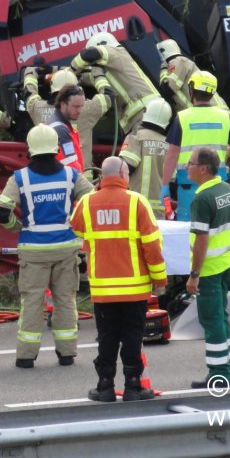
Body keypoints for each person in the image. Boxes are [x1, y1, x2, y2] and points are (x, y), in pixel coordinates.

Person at [0, 124, 94, 368]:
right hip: (65, 247)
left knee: (32, 302)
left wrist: (16, 226)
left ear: (30, 149)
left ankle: (26, 356)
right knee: (65, 300)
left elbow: (0, 209)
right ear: (56, 149)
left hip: (33, 249)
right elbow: (92, 199)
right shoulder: (72, 175)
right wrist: (75, 224)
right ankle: (67, 353)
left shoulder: (20, 178)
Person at [71, 156, 167, 402]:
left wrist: (96, 192)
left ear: (102, 176)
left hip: (103, 288)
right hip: (134, 287)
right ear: (124, 175)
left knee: (107, 336)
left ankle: (105, 386)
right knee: (133, 336)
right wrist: (159, 278)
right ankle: (133, 385)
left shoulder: (87, 202)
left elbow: (76, 227)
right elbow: (152, 246)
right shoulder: (137, 203)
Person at [185, 147, 230, 388]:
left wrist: (194, 275)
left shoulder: (202, 199)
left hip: (209, 270)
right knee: (221, 316)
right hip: (226, 263)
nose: (185, 166)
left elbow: (201, 240)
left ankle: (219, 374)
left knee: (212, 320)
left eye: (189, 163)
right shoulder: (227, 190)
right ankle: (226, 366)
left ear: (203, 168)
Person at [161, 71, 230, 221]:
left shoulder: (183, 117)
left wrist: (165, 185)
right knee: (217, 223)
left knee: (190, 228)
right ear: (212, 93)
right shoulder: (225, 116)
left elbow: (172, 154)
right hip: (217, 182)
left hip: (189, 183)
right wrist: (223, 153)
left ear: (191, 90)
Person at [24, 65, 112, 176]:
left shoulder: (37, 108)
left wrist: (30, 74)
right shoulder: (86, 109)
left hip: (53, 177)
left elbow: (29, 95)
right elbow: (108, 96)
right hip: (82, 179)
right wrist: (96, 74)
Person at [70, 33, 160, 136]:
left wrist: (71, 70)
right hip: (140, 115)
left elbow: (89, 54)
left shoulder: (116, 52)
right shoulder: (108, 69)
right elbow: (88, 76)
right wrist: (58, 73)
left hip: (146, 111)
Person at [119, 98, 172, 219]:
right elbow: (171, 178)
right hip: (159, 209)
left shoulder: (136, 137)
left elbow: (125, 168)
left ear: (145, 114)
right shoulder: (168, 145)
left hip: (134, 205)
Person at [156, 39, 228, 112]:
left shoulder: (178, 61)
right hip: (214, 110)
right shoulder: (184, 62)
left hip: (211, 111)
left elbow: (167, 88)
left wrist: (163, 69)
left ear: (163, 52)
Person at [48, 84, 86, 173]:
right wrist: (86, 186)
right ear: (63, 104)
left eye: (82, 106)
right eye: (76, 106)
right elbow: (73, 167)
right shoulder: (59, 128)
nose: (80, 111)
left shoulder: (60, 124)